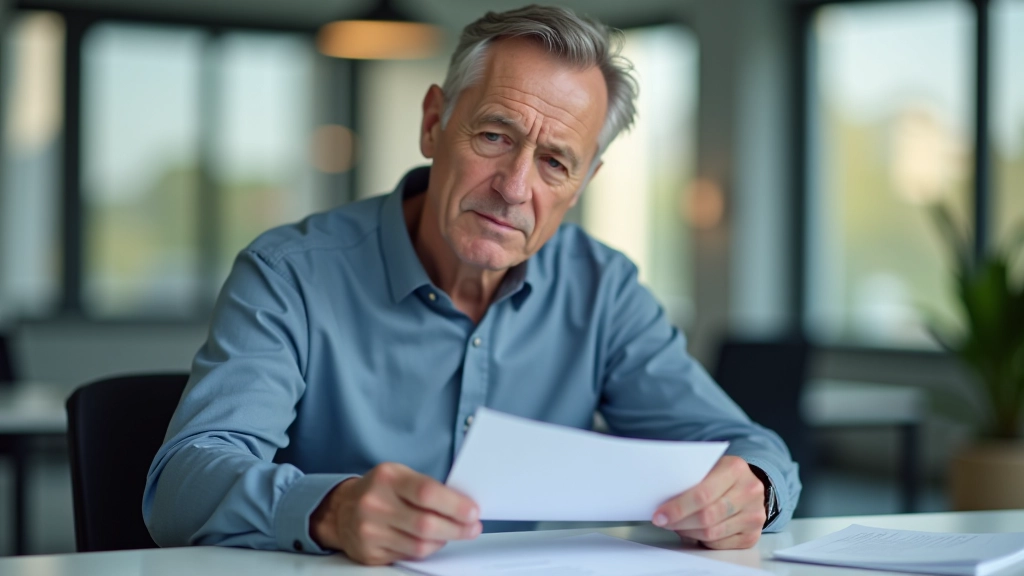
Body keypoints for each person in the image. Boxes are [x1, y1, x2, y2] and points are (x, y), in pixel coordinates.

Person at [144, 4, 800, 566]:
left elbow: (750, 448)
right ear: (434, 122)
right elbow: (181, 482)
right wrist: (331, 510)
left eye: (554, 163)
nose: (514, 188)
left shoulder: (604, 289)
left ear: (584, 183)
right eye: (494, 135)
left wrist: (752, 488)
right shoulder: (290, 272)